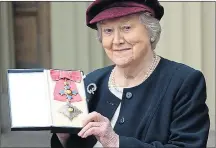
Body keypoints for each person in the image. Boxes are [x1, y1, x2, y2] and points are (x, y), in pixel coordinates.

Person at [51, 0, 210, 147]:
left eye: (126, 28)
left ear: (150, 31)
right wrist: (63, 137)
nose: (117, 40)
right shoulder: (90, 82)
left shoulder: (183, 82)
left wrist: (116, 142)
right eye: (108, 31)